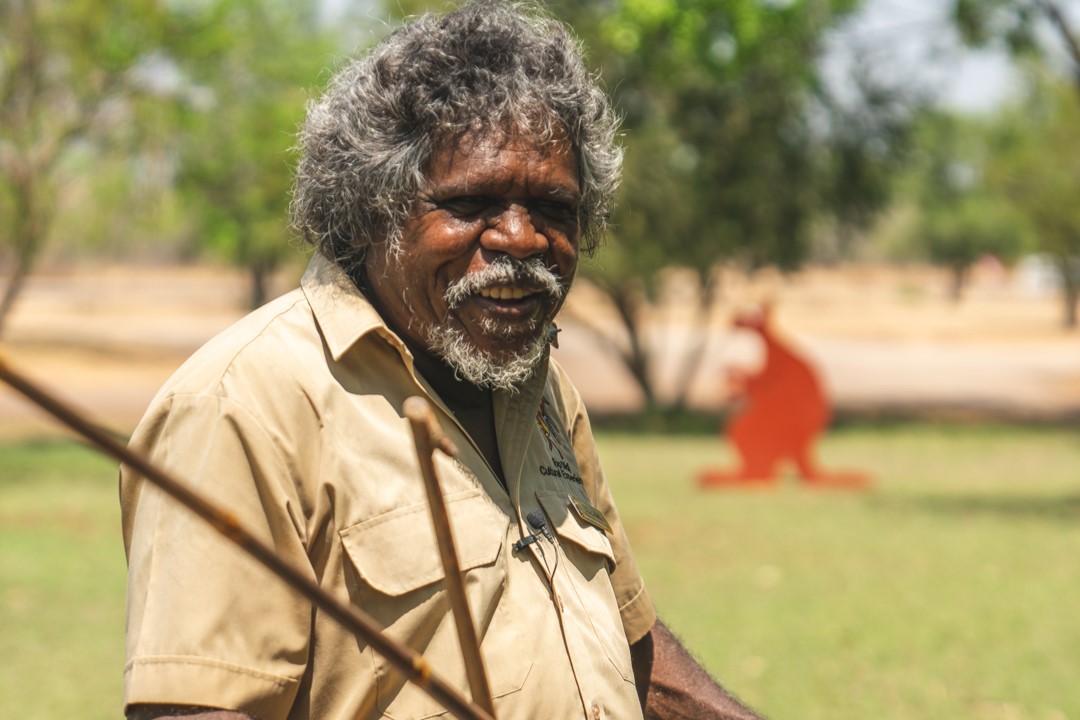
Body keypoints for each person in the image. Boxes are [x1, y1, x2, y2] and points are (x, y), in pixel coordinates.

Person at [120, 2, 764, 719]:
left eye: (553, 207)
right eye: (472, 202)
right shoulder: (243, 404)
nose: (522, 238)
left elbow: (629, 648)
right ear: (370, 210)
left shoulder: (540, 388)